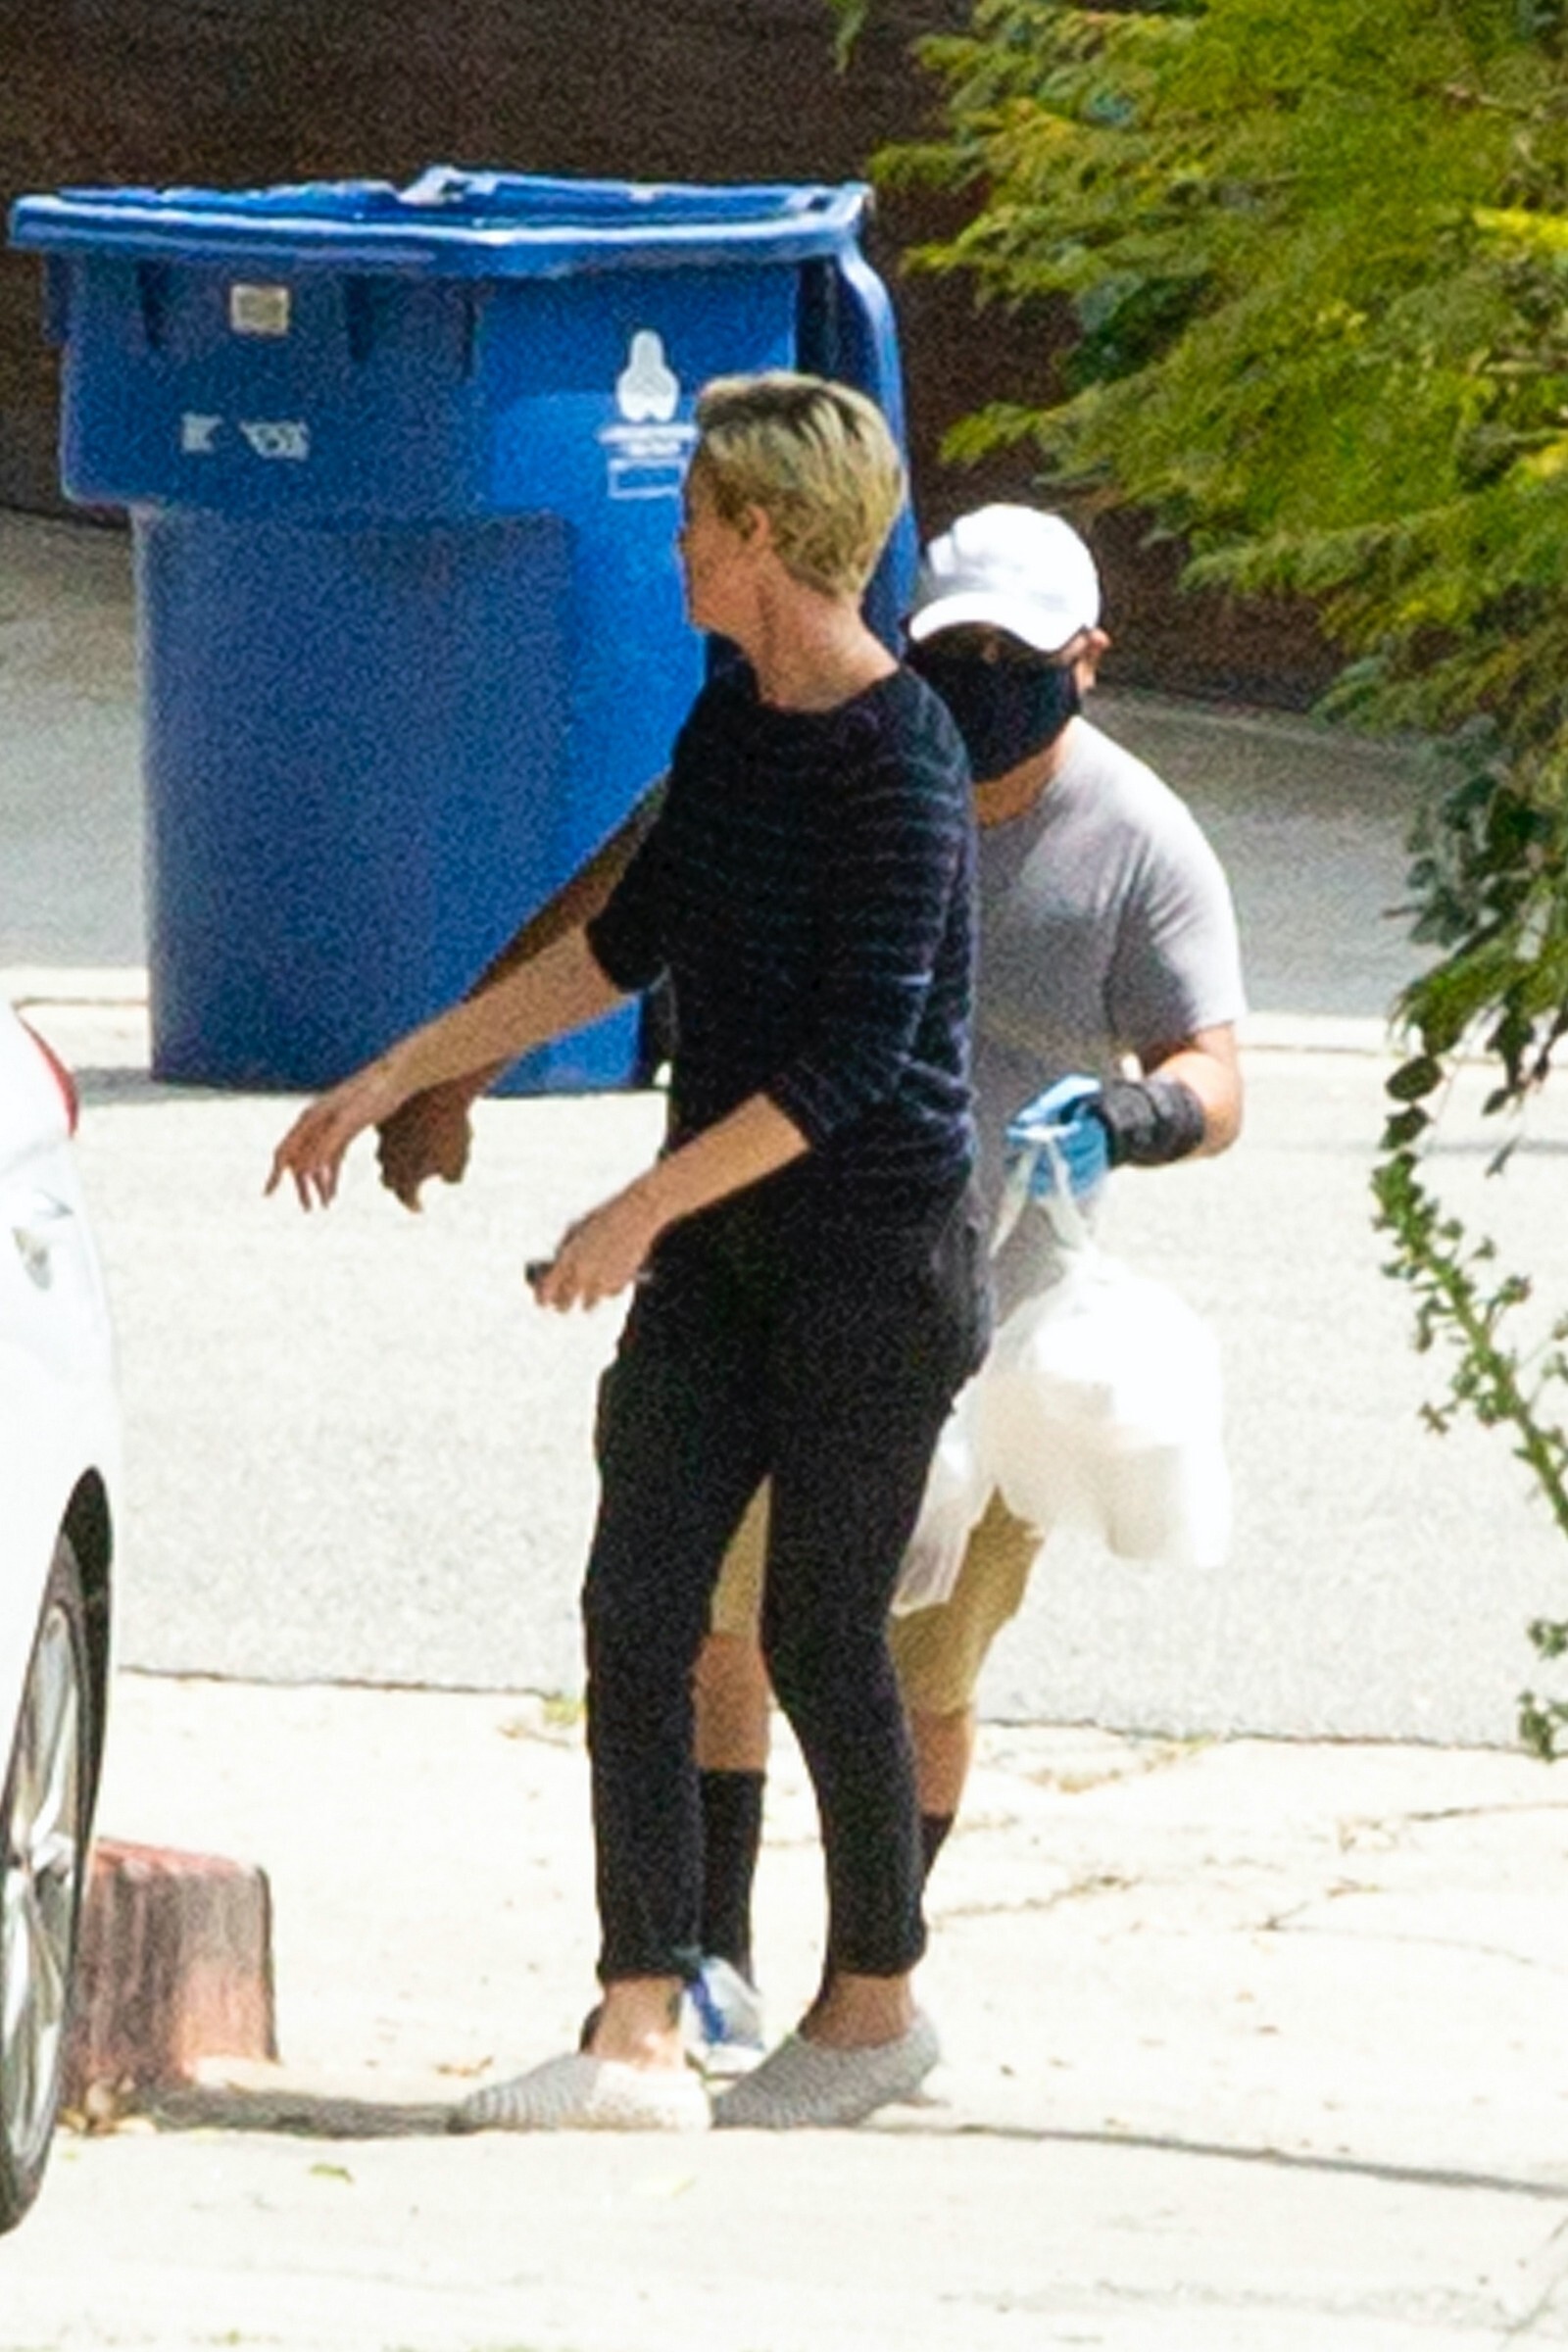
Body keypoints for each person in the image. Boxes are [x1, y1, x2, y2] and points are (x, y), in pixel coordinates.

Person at [267, 373, 989, 2132]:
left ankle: (874, 2009)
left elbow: (854, 1063)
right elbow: (625, 943)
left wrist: (636, 1207)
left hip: (873, 1265)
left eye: (691, 520)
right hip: (722, 1260)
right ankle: (637, 2025)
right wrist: (402, 1070)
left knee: (820, 1632)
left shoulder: (904, 757)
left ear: (764, 532)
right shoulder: (732, 718)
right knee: (637, 1607)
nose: (673, 548)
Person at [685, 504, 1246, 2055]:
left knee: (927, 1659)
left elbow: (1215, 1071)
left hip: (1004, 1312)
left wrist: (1133, 1115)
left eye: (1016, 653)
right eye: (957, 651)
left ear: (1088, 660)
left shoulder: (1139, 840)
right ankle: (714, 1946)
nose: (982, 679)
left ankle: (869, 1971)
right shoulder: (856, 775)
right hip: (814, 1266)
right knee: (731, 1614)